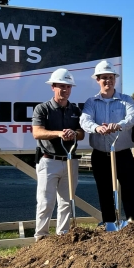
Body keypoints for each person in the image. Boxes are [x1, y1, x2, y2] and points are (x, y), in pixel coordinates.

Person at [80, 60, 134, 226]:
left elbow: (133, 118)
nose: (108, 80)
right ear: (98, 80)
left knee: (131, 190)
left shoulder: (126, 100)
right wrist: (96, 128)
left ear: (115, 78)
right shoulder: (91, 102)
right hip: (100, 155)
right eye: (104, 78)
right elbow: (84, 120)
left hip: (123, 154)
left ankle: (133, 223)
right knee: (104, 190)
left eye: (110, 77)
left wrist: (118, 125)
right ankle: (109, 223)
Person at [32, 69, 85, 241]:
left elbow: (81, 133)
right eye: (61, 86)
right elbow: (37, 132)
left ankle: (62, 236)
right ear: (53, 87)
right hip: (49, 160)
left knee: (66, 203)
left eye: (68, 87)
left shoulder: (75, 110)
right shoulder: (42, 109)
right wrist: (59, 133)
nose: (65, 90)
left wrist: (74, 133)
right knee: (45, 202)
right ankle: (41, 237)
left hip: (70, 160)